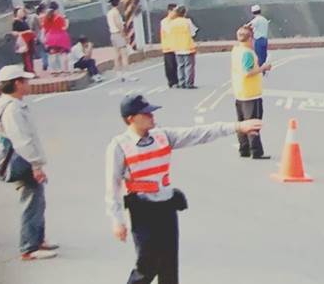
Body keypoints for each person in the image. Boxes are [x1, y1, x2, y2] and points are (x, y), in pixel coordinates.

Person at [106, 93, 262, 284]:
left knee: (169, 266)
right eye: (146, 114)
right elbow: (112, 186)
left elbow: (198, 133)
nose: (152, 116)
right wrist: (117, 220)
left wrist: (237, 127)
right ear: (131, 119)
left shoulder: (163, 136)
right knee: (147, 265)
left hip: (166, 207)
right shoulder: (120, 146)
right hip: (142, 210)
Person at [0, 65, 59, 261]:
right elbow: (22, 139)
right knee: (31, 201)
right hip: (22, 160)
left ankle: (37, 240)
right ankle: (30, 246)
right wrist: (36, 164)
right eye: (25, 81)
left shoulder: (5, 104)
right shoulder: (12, 108)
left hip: (17, 159)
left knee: (36, 199)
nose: (28, 84)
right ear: (17, 83)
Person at [231, 26, 273, 159]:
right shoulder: (247, 53)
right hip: (251, 92)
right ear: (250, 38)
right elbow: (247, 72)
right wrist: (263, 68)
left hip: (239, 91)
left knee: (242, 122)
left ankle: (244, 149)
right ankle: (256, 150)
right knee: (253, 122)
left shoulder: (236, 50)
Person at [169, 6, 198, 89]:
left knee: (180, 65)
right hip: (187, 46)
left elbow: (169, 32)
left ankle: (181, 82)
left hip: (177, 46)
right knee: (189, 65)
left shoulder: (172, 23)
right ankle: (189, 83)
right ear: (185, 13)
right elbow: (193, 33)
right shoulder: (187, 22)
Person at [107, 0, 135, 82]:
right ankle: (127, 74)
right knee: (124, 55)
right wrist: (124, 36)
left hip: (113, 34)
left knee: (117, 55)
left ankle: (118, 74)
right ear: (118, 3)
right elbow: (118, 24)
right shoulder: (115, 13)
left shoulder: (109, 13)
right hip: (118, 34)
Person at [42, 1, 70, 74]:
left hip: (51, 38)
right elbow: (64, 27)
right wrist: (67, 21)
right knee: (64, 54)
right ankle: (66, 70)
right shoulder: (60, 17)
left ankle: (54, 71)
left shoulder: (47, 18)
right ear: (57, 9)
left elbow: (45, 28)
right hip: (61, 37)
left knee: (53, 54)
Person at [12, 7, 36, 73]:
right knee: (26, 56)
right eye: (20, 12)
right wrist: (26, 32)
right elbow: (14, 33)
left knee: (30, 55)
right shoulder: (16, 22)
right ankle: (29, 70)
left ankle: (31, 69)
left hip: (29, 39)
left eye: (22, 12)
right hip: (23, 41)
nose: (22, 13)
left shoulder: (24, 21)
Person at [160, 4, 179, 88]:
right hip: (168, 47)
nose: (176, 13)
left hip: (177, 46)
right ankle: (171, 82)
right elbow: (169, 31)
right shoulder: (164, 21)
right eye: (175, 11)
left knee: (176, 65)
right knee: (170, 66)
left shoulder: (178, 20)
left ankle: (177, 81)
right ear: (170, 11)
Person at [28, 3, 49, 72]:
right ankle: (47, 62)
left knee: (42, 50)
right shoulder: (46, 16)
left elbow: (32, 28)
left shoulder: (34, 17)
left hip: (38, 36)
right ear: (43, 9)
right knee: (48, 50)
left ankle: (44, 62)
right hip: (46, 35)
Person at [247, 5, 269, 69]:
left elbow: (248, 26)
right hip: (265, 40)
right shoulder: (264, 19)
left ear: (252, 12)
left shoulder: (256, 20)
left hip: (258, 40)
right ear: (260, 11)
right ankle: (264, 69)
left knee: (259, 56)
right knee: (264, 55)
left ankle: (260, 70)